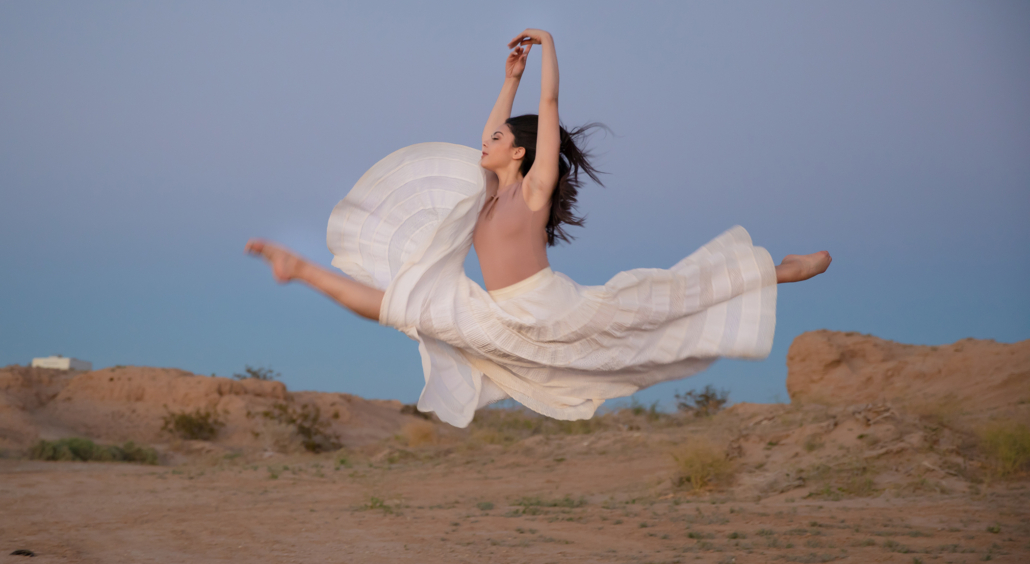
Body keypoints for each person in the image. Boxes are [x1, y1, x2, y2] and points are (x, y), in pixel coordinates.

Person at [246, 29, 831, 427]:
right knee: (402, 307)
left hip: (552, 307)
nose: (487, 142)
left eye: (498, 139)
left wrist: (548, 48)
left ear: (522, 153)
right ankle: (297, 268)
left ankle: (781, 271)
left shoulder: (531, 189)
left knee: (666, 301)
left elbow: (548, 111)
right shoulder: (485, 195)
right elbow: (495, 128)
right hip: (496, 314)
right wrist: (508, 78)